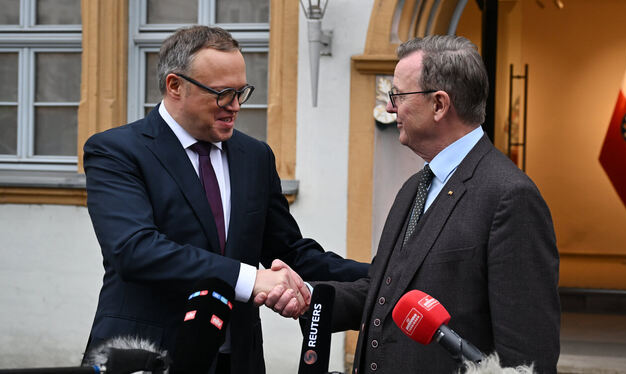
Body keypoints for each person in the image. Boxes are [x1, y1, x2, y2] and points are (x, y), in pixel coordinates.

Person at [82, 25, 368, 374]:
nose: (235, 106)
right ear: (175, 86)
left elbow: (291, 252)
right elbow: (135, 250)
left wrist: (387, 274)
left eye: (241, 92)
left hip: (238, 360)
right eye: (222, 94)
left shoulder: (255, 156)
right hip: (147, 354)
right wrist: (251, 279)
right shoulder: (117, 151)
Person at [314, 35, 560, 373]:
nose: (390, 107)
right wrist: (312, 298)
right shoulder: (414, 187)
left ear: (439, 104)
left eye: (397, 95)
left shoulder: (510, 197)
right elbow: (385, 291)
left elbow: (527, 355)